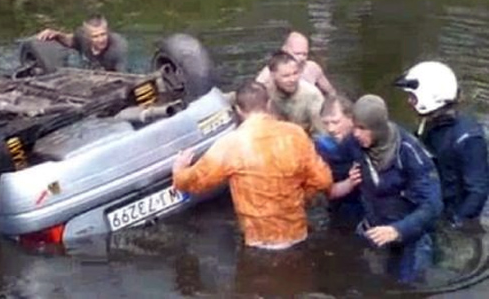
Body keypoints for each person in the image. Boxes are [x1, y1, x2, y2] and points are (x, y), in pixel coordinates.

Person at [172, 81, 358, 250]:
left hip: (258, 239)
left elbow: (193, 183)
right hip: (296, 235)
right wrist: (304, 196)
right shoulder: (295, 134)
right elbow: (323, 180)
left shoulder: (231, 144)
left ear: (238, 110)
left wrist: (179, 170)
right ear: (268, 105)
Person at [348, 95, 443, 283]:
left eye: (362, 128)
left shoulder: (409, 152)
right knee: (360, 279)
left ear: (378, 129)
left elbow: (433, 204)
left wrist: (398, 230)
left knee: (405, 287)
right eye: (354, 126)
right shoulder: (356, 143)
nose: (356, 133)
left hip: (408, 235)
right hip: (373, 226)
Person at [394, 61, 489, 226]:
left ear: (430, 97)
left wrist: (456, 223)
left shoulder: (468, 139)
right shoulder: (429, 124)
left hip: (451, 214)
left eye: (413, 97)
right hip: (434, 202)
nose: (410, 101)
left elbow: (477, 192)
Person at [314, 94, 365, 227]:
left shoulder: (366, 139)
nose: (330, 129)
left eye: (336, 122)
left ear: (351, 119)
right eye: (326, 123)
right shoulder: (322, 146)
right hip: (341, 203)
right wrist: (350, 182)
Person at [258, 50, 325, 135]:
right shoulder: (266, 92)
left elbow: (322, 131)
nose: (292, 79)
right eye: (286, 76)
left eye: (295, 73)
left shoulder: (312, 95)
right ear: (273, 75)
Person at [36, 14, 128, 72]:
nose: (101, 39)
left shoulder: (118, 47)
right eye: (95, 36)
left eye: (103, 34)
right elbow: (71, 41)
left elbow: (124, 76)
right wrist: (57, 35)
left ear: (108, 31)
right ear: (87, 36)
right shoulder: (81, 35)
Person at [256, 31, 335, 96]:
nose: (301, 58)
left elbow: (331, 92)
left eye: (304, 54)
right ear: (285, 50)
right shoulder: (269, 72)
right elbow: (254, 95)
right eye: (297, 53)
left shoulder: (312, 68)